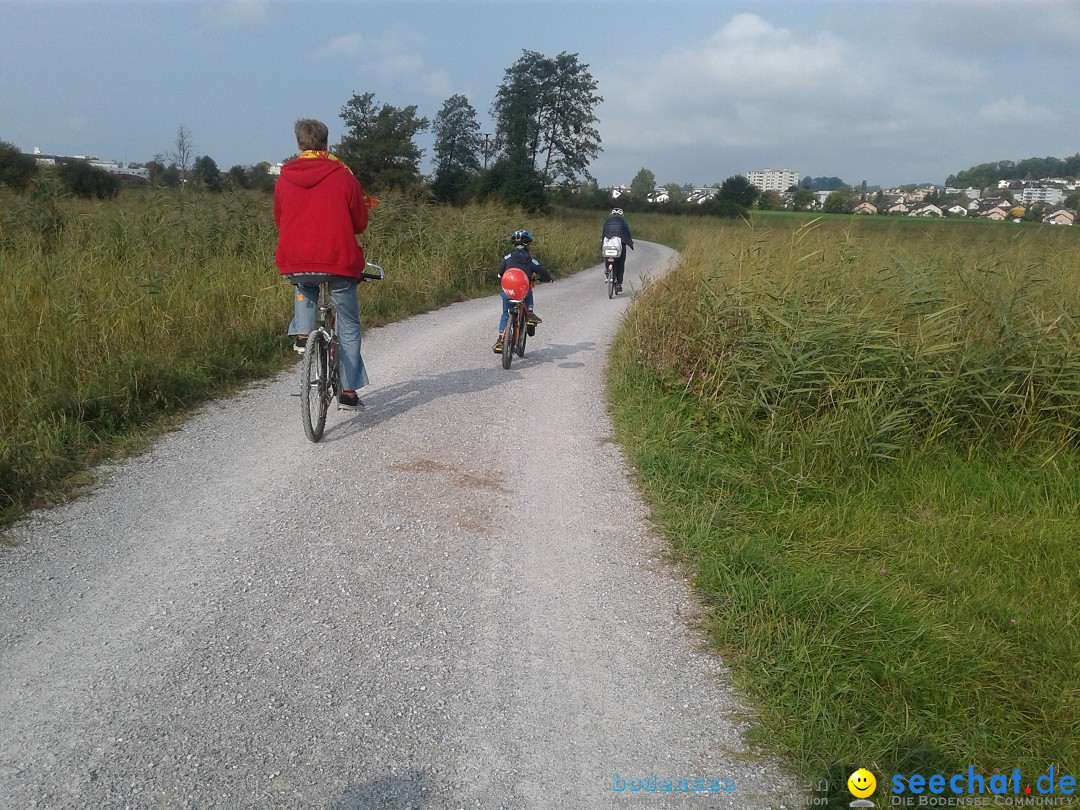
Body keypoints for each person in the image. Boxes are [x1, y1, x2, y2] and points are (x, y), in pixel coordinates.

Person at [274, 118, 376, 411]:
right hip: (339, 262)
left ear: (299, 144)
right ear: (326, 143)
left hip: (296, 259)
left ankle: (304, 334)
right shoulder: (344, 177)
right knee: (348, 323)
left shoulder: (284, 177)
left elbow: (279, 219)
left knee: (304, 285)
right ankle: (348, 393)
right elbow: (360, 223)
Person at [493, 230, 552, 353]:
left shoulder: (507, 258)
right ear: (527, 244)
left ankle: (500, 339)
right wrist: (547, 278)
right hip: (523, 292)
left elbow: (500, 274)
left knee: (505, 313)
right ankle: (529, 312)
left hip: (508, 292)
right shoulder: (531, 260)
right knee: (529, 291)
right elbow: (543, 272)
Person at [600, 207, 634, 293]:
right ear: (621, 215)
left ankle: (607, 268)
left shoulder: (607, 221)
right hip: (620, 245)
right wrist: (629, 242)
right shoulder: (624, 222)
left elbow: (603, 232)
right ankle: (619, 283)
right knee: (620, 263)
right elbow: (627, 233)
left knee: (607, 255)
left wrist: (602, 242)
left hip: (608, 243)